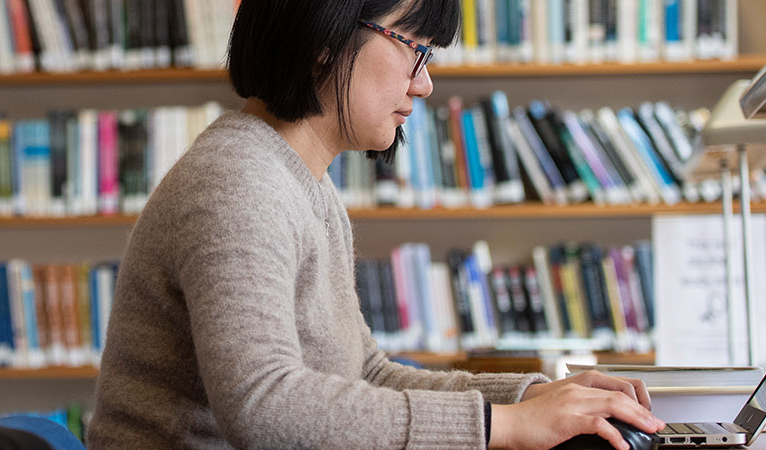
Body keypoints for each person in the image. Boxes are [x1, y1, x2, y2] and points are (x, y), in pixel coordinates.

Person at [86, 1, 667, 449]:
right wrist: (504, 425)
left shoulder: (300, 179)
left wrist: (533, 396)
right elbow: (264, 407)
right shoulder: (239, 183)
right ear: (326, 37)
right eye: (414, 49)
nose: (424, 83)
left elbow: (367, 374)